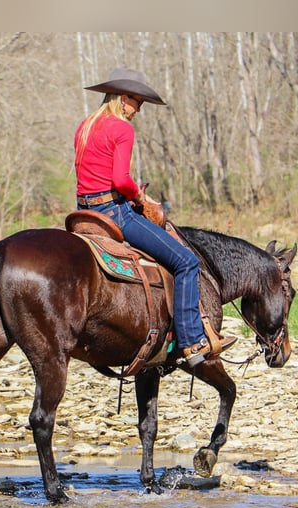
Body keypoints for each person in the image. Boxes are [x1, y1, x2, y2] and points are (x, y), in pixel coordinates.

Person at [74, 67, 235, 367]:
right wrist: (139, 196)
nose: (139, 109)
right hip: (113, 211)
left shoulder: (85, 127)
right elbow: (120, 180)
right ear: (123, 98)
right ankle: (190, 342)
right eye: (138, 102)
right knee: (186, 261)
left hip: (83, 212)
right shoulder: (122, 129)